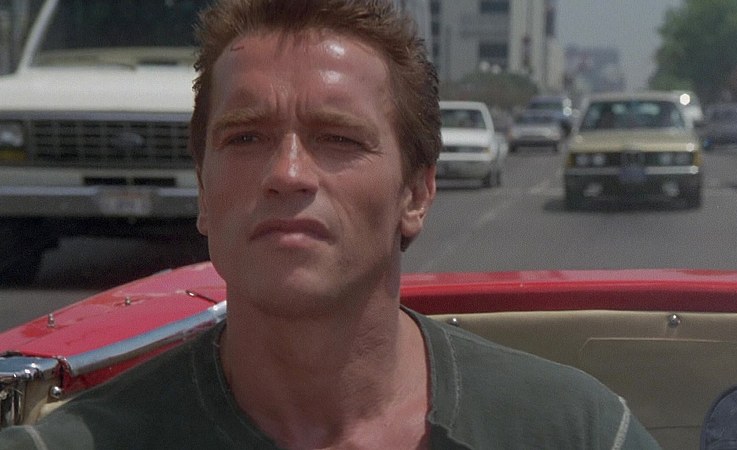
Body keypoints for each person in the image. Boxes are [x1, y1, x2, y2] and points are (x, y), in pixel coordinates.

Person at [0, 0, 660, 448]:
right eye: (245, 137)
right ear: (203, 190)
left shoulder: (576, 431)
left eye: (338, 138)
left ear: (416, 193)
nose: (287, 173)